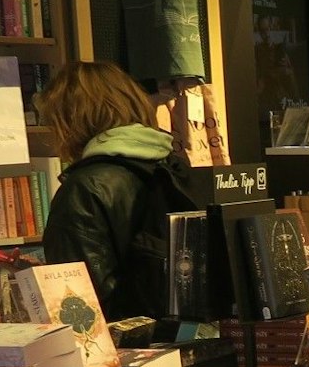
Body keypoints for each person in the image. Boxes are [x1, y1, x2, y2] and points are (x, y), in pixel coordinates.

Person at [39, 60, 210, 321]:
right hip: (185, 331)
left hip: (124, 345)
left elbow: (82, 303)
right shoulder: (171, 164)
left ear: (70, 120)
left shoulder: (84, 188)